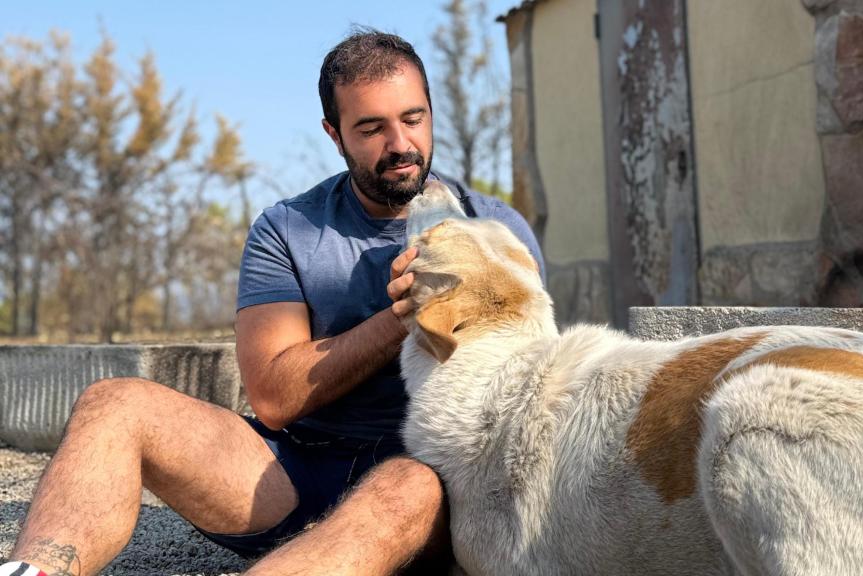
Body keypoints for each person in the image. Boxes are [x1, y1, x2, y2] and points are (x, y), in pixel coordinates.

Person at [1, 29, 544, 576]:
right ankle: (35, 570)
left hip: (422, 479)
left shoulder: (496, 233)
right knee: (113, 403)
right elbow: (274, 399)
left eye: (413, 118)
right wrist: (402, 318)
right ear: (334, 135)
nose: (400, 143)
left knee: (405, 485)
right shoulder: (286, 228)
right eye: (371, 128)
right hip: (295, 470)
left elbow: (524, 398)